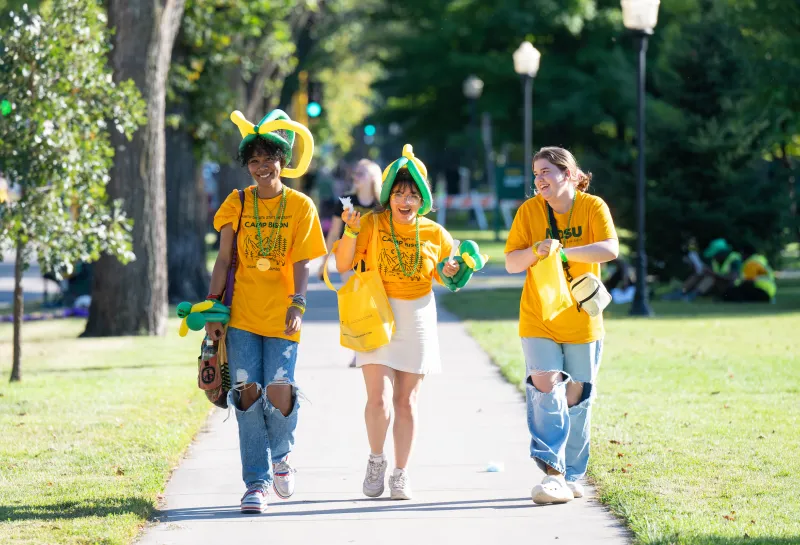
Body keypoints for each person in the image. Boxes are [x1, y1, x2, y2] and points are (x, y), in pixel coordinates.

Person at [206, 109, 326, 514]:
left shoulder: (301, 206)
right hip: (240, 315)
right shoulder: (236, 203)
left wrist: (298, 302)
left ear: (283, 161)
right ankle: (254, 482)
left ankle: (283, 457)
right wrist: (213, 312)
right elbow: (223, 260)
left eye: (268, 159)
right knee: (246, 394)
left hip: (283, 313)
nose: (261, 167)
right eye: (253, 160)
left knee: (280, 387)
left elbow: (303, 263)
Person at [333, 144, 461, 501]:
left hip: (418, 315)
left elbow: (449, 277)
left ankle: (401, 473)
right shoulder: (370, 223)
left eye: (413, 195)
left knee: (407, 402)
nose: (406, 201)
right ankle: (376, 461)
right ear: (388, 196)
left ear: (423, 199)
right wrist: (350, 232)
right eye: (400, 194)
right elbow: (342, 264)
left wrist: (451, 269)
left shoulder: (436, 234)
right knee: (379, 399)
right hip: (377, 313)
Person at [504, 146, 618, 505]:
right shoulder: (529, 211)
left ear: (567, 174)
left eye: (546, 173)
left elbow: (610, 248)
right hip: (539, 316)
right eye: (536, 174)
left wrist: (564, 252)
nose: (539, 180)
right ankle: (552, 473)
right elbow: (510, 262)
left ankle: (572, 473)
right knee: (544, 386)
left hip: (582, 316)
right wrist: (536, 252)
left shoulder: (592, 207)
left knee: (578, 396)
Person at [320, 158, 384, 367]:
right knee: (357, 308)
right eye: (355, 173)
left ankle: (379, 349)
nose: (355, 177)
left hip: (376, 263)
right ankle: (360, 352)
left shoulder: (382, 205)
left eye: (361, 173)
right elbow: (335, 233)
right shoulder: (345, 201)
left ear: (373, 177)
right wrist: (324, 263)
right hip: (349, 262)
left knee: (376, 307)